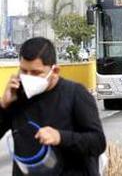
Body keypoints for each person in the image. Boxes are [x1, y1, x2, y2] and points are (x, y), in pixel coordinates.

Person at [0, 37, 106, 175]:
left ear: (55, 71)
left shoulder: (75, 94)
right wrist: (3, 105)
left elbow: (97, 142)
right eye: (24, 71)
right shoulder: (18, 96)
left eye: (36, 73)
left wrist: (60, 137)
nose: (28, 77)